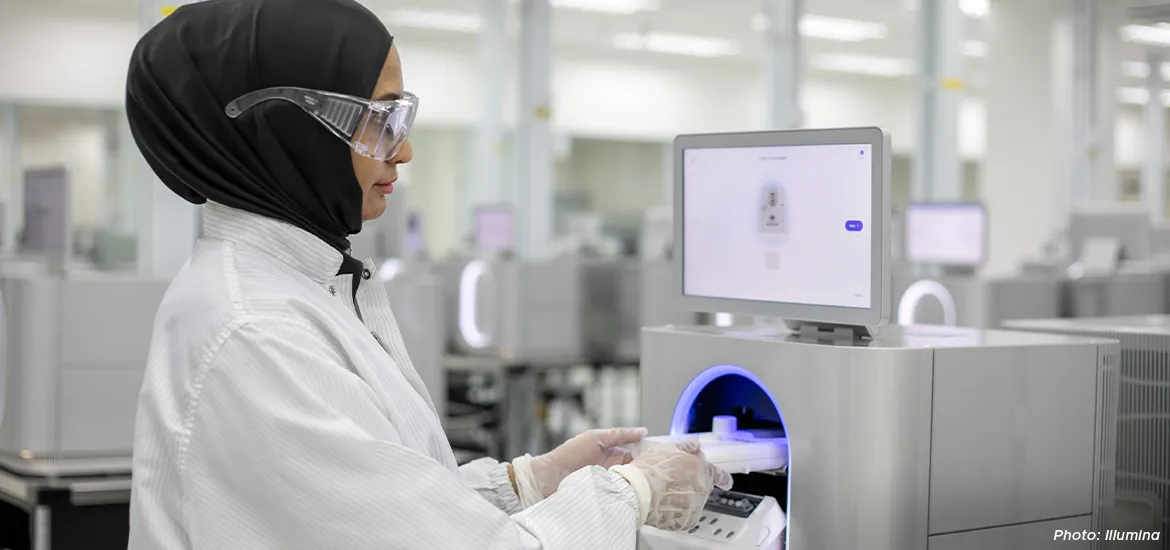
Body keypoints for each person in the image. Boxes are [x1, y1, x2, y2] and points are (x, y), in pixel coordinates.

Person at [123, 0, 732, 548]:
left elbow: (380, 510)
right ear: (284, 128)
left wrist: (530, 483)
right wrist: (631, 493)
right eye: (377, 117)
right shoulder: (257, 330)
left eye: (400, 118)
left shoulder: (299, 289)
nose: (403, 149)